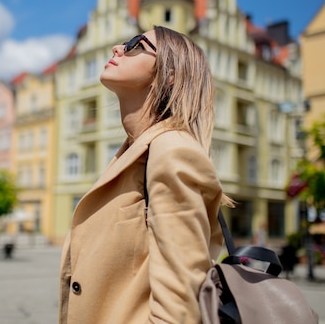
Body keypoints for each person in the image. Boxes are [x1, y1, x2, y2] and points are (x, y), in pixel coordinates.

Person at [58, 26, 232, 324]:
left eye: (137, 45)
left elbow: (179, 305)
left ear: (171, 73)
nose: (117, 48)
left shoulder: (172, 150)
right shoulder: (135, 152)